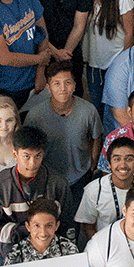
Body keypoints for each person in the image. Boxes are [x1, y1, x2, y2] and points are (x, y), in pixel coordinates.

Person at [0, 125, 76, 261]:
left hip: (52, 254)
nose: (32, 163)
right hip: (11, 254)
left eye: (38, 156)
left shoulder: (58, 184)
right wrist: (21, 238)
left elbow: (67, 225)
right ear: (15, 154)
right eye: (26, 156)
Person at [24, 60, 103, 201]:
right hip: (47, 179)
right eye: (56, 83)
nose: (63, 88)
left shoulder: (88, 111)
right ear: (48, 87)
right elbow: (28, 148)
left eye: (68, 83)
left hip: (80, 178)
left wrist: (92, 166)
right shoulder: (35, 115)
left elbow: (96, 138)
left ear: (74, 85)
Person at [76, 137, 134, 240]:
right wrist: (103, 249)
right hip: (107, 245)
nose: (123, 165)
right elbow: (88, 227)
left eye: (129, 159)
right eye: (117, 159)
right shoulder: (93, 190)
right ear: (109, 164)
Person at [85, 0, 134, 112]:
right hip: (94, 63)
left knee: (114, 108)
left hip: (115, 61)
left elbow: (130, 32)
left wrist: (124, 63)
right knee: (96, 105)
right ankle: (98, 138)